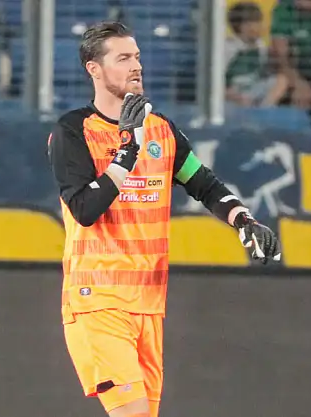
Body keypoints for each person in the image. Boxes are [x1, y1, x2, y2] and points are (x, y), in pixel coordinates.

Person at [47, 21, 282, 417]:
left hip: (149, 303)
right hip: (98, 300)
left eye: (137, 57)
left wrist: (243, 221)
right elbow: (85, 210)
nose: (136, 66)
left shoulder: (162, 130)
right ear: (94, 69)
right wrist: (128, 150)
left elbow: (204, 184)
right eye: (123, 58)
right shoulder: (73, 131)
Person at [225, 2, 289, 107]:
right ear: (240, 26)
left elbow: (263, 73)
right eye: (250, 23)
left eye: (258, 22)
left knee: (282, 80)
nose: (257, 27)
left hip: (253, 89)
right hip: (233, 93)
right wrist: (234, 96)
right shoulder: (227, 48)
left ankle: (264, 109)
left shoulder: (261, 45)